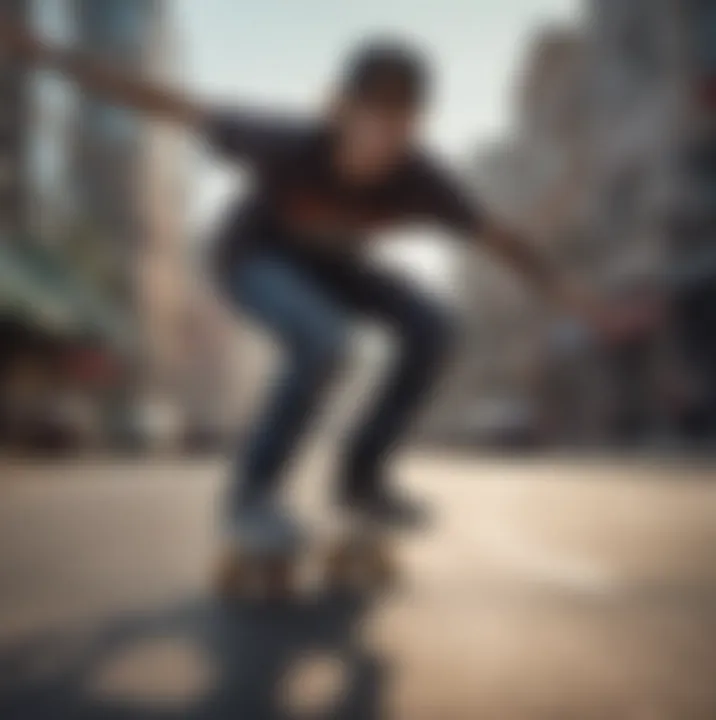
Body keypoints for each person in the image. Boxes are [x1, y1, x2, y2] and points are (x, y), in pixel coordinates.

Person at [0, 24, 640, 549]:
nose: (382, 141)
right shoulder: (285, 141)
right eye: (371, 118)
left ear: (416, 125)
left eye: (401, 124)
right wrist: (49, 54)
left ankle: (360, 479)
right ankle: (252, 497)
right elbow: (168, 103)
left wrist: (570, 296)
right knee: (322, 338)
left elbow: (501, 241)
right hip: (252, 260)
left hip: (337, 274)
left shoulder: (422, 178)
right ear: (340, 108)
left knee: (435, 325)